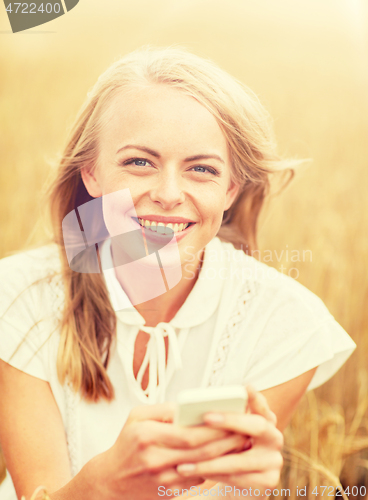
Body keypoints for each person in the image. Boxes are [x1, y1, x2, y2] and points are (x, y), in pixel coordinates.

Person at [0, 46, 356, 500]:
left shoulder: (283, 323)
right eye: (139, 162)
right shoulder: (17, 297)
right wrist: (103, 484)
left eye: (201, 169)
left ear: (230, 189)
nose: (169, 194)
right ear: (90, 173)